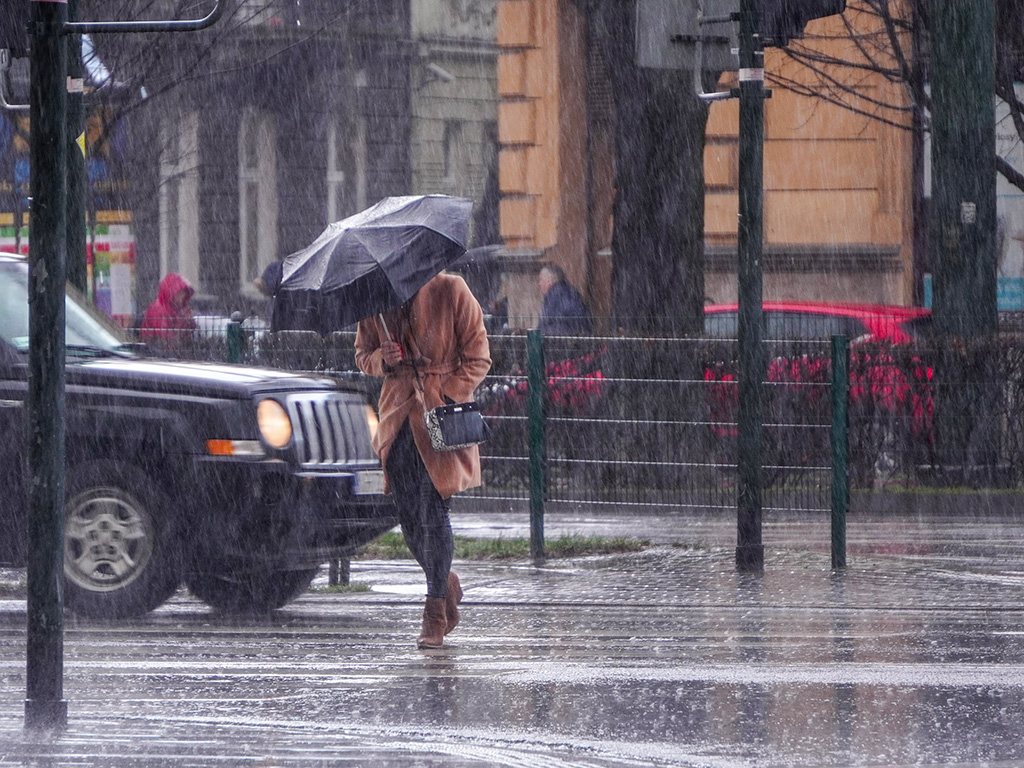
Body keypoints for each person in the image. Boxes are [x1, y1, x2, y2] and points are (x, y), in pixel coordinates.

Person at [355, 272, 491, 649]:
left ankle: (434, 610)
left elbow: (479, 356)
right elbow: (362, 356)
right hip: (397, 418)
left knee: (433, 512)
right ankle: (445, 580)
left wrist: (446, 393)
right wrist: (382, 359)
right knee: (409, 518)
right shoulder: (375, 301)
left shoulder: (451, 289)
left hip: (439, 420)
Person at [140, 272, 197, 351]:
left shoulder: (178, 308)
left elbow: (184, 334)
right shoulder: (160, 310)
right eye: (179, 294)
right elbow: (166, 338)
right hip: (156, 351)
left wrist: (189, 322)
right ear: (172, 293)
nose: (182, 297)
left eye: (184, 293)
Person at [537, 263, 592, 335]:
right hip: (577, 337)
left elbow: (546, 323)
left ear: (549, 281)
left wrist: (537, 334)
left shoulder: (555, 295)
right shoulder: (567, 291)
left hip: (565, 340)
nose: (539, 283)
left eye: (541, 280)